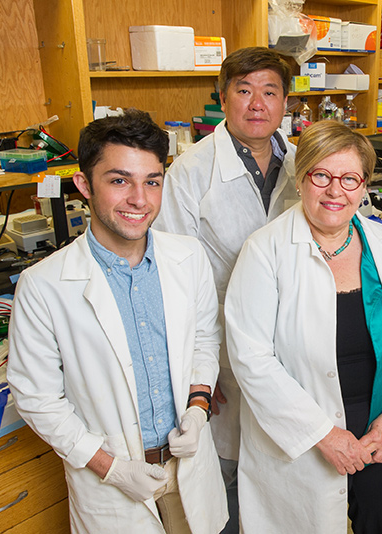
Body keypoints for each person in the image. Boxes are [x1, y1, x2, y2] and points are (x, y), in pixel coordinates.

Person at [7, 110, 228, 534]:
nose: (139, 200)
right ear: (84, 185)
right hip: (112, 484)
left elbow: (204, 340)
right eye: (119, 180)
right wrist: (111, 469)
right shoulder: (44, 285)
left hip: (189, 468)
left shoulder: (188, 257)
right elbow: (37, 399)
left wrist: (198, 409)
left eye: (152, 181)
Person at [224, 120, 382, 533]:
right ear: (301, 180)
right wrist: (322, 435)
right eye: (321, 175)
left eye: (349, 178)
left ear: (364, 185)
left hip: (380, 428)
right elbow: (251, 358)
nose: (335, 191)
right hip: (306, 434)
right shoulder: (265, 252)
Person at [152, 46, 298, 533]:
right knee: (231, 474)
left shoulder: (304, 167)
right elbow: (174, 284)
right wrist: (197, 375)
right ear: (222, 97)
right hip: (226, 362)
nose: (257, 103)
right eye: (244, 90)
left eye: (270, 91)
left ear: (285, 103)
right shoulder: (190, 173)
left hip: (294, 348)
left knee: (289, 469)